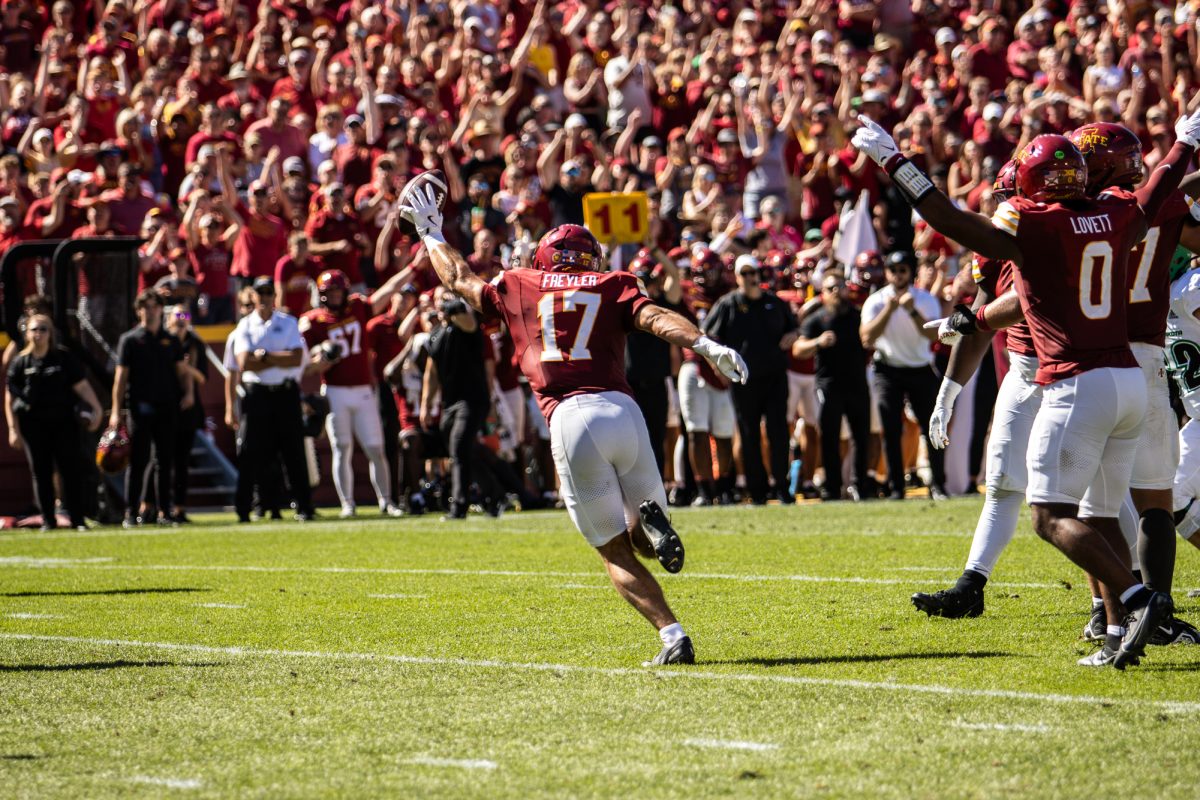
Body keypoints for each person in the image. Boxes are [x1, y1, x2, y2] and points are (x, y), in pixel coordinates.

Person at [849, 113, 1200, 669]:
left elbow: (942, 215)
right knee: (1101, 512)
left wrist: (893, 160)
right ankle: (1114, 635)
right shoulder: (1116, 214)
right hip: (1131, 382)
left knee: (1048, 516)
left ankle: (1138, 599)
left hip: (1075, 384)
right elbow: (1158, 187)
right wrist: (1184, 143)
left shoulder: (1037, 228)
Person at [400, 174, 747, 665]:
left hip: (569, 417)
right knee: (646, 538)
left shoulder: (522, 283)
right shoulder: (614, 283)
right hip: (623, 412)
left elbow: (459, 280)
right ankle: (653, 522)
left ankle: (672, 635)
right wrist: (705, 344)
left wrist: (431, 234)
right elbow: (654, 317)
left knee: (613, 550)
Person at [913, 161, 1036, 618]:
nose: (1004, 210)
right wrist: (948, 392)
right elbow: (983, 318)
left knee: (1083, 493)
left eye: (1013, 199)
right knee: (1002, 480)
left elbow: (1015, 306)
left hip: (1071, 371)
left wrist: (970, 319)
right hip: (1024, 373)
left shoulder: (1061, 234)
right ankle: (972, 584)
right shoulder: (996, 248)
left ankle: (1128, 593)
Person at [300, 262, 414, 518]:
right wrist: (322, 359)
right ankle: (347, 504)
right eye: (331, 292)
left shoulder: (358, 308)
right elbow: (307, 364)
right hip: (335, 391)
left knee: (375, 448)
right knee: (342, 448)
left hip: (363, 390)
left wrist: (412, 268)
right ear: (322, 295)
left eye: (339, 291)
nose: (336, 296)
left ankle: (387, 501)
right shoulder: (313, 321)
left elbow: (388, 289)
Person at [702, 254, 799, 504]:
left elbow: (794, 326)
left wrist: (793, 335)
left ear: (759, 274)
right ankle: (757, 491)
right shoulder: (728, 304)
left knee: (779, 432)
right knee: (749, 434)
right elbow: (707, 336)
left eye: (752, 273)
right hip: (744, 379)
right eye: (744, 274)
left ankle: (781, 485)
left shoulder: (775, 303)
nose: (749, 279)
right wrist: (717, 366)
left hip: (775, 376)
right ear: (736, 277)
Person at [859, 250, 947, 500]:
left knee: (932, 428)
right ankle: (896, 487)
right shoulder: (876, 301)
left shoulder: (925, 299)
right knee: (890, 428)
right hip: (888, 369)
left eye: (902, 271)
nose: (897, 276)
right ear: (887, 273)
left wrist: (911, 311)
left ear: (910, 273)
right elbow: (866, 338)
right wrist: (888, 311)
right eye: (893, 271)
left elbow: (933, 336)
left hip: (920, 368)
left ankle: (938, 484)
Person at [5, 313, 102, 530]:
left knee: (70, 470)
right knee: (41, 472)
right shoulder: (21, 362)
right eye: (34, 330)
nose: (38, 334)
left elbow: (82, 386)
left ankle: (77, 518)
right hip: (33, 425)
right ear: (27, 333)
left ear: (50, 333)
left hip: (63, 422)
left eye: (43, 329)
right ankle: (48, 519)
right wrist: (13, 428)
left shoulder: (62, 358)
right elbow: (10, 397)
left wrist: (96, 409)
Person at [231, 277, 315, 523]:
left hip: (285, 392)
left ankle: (304, 506)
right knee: (250, 451)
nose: (265, 297)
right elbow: (244, 362)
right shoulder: (245, 325)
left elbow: (296, 358)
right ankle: (245, 508)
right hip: (257, 394)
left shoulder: (288, 322)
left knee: (293, 451)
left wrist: (265, 356)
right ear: (253, 296)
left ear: (274, 296)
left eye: (269, 292)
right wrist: (279, 357)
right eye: (261, 293)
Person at [109, 290, 194, 528]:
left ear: (160, 309)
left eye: (155, 306)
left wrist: (188, 393)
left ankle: (164, 512)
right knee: (139, 460)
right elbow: (120, 379)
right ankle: (131, 512)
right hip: (140, 407)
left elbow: (182, 371)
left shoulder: (171, 340)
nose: (150, 310)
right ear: (139, 310)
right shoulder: (130, 340)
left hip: (167, 406)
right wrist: (116, 410)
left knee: (165, 461)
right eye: (145, 306)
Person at [419, 294, 500, 519]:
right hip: (450, 403)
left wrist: (451, 304)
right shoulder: (435, 334)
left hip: (473, 398)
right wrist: (426, 404)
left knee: (459, 447)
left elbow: (467, 320)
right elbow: (431, 372)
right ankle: (495, 494)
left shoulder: (467, 326)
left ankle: (459, 507)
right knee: (465, 452)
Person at [794, 272, 872, 501]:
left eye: (840, 286)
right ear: (823, 294)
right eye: (831, 288)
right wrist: (818, 342)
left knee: (861, 437)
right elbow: (798, 349)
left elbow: (872, 338)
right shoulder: (817, 320)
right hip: (829, 386)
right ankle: (832, 487)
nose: (837, 291)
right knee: (829, 438)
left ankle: (859, 486)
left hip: (857, 383)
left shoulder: (859, 316)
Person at [165, 304, 207, 524]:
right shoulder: (162, 341)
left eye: (185, 314)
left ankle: (179, 508)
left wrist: (185, 367)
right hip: (164, 406)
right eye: (177, 315)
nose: (182, 319)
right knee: (161, 461)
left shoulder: (195, 344)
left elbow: (202, 377)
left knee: (181, 462)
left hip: (188, 409)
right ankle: (155, 507)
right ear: (169, 319)